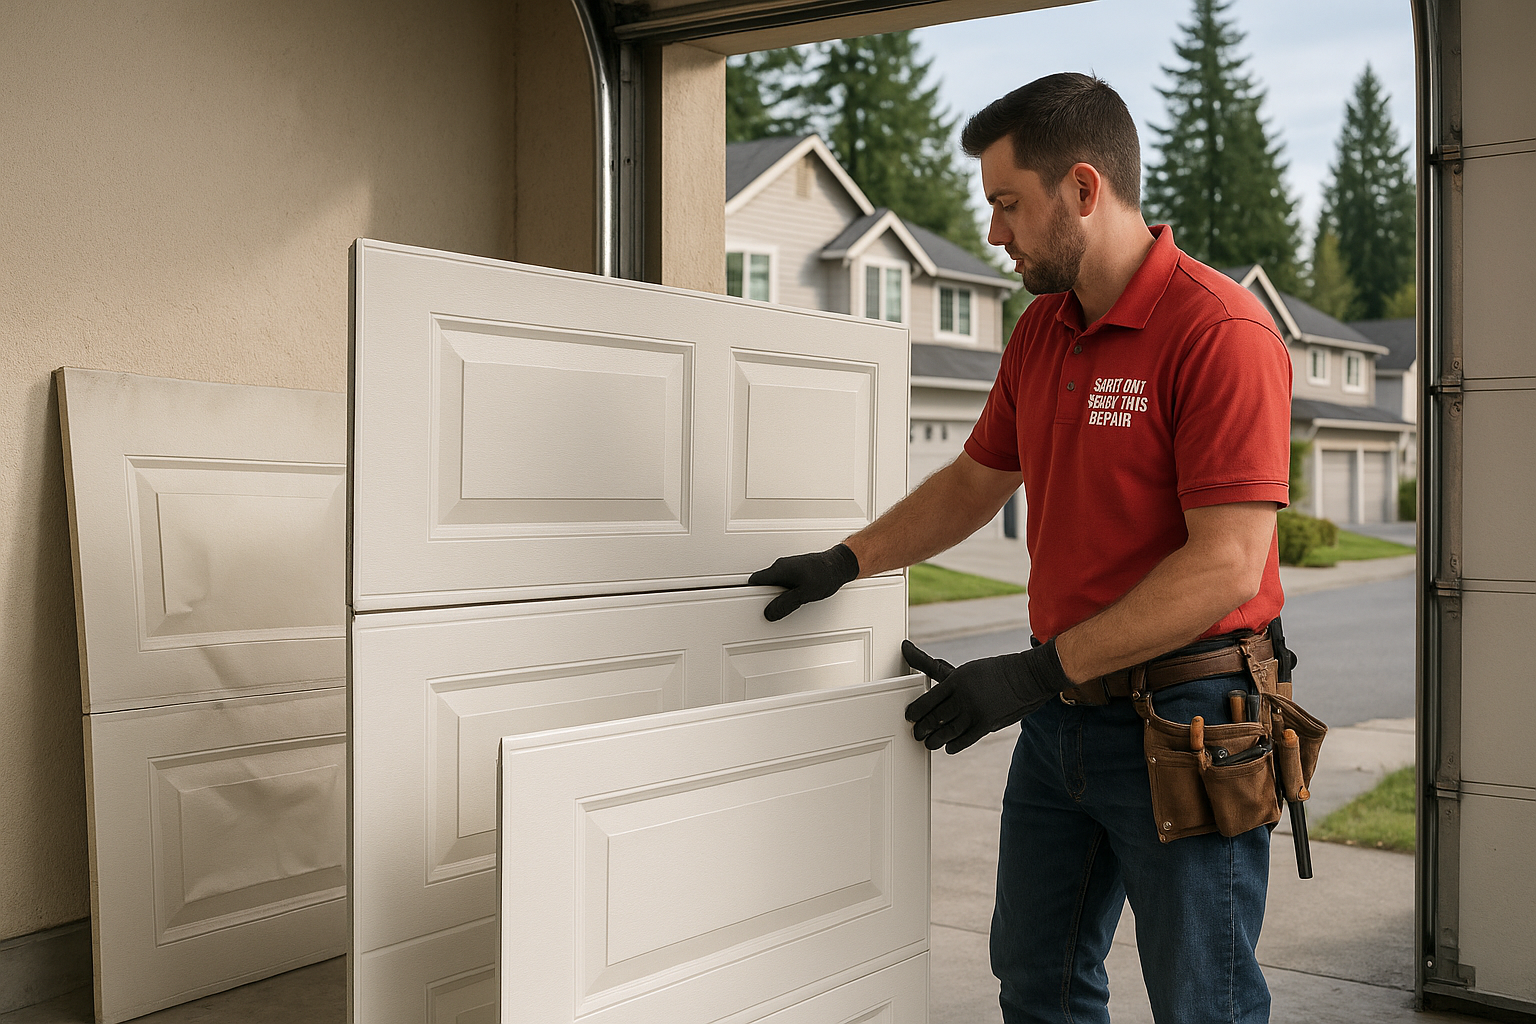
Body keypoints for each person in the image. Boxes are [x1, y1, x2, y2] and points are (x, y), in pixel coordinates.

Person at [747, 73, 1293, 1024]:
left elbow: (1226, 565)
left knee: (1205, 1002)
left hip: (1192, 720)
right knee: (1036, 982)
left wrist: (1035, 673)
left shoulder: (1220, 332)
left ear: (1083, 189)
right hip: (1062, 724)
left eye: (1007, 203)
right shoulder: (1042, 331)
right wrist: (847, 559)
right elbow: (974, 481)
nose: (994, 232)